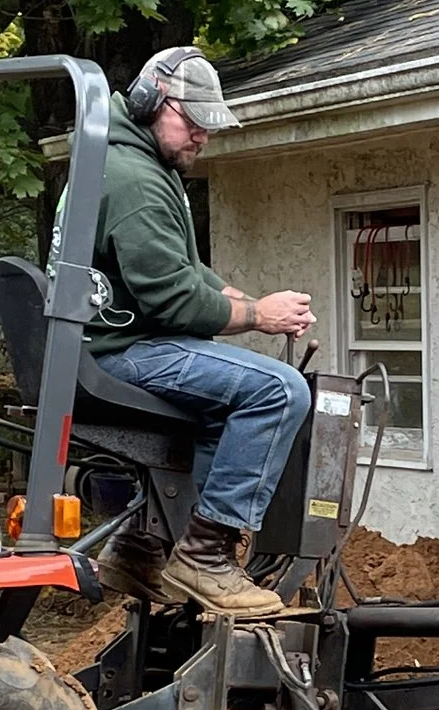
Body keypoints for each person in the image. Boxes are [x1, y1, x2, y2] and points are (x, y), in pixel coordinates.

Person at [84, 46, 318, 619]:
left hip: (103, 347)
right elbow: (173, 299)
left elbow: (182, 272)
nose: (202, 138)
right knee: (279, 390)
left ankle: (141, 547)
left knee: (224, 405)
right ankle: (207, 557)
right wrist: (260, 316)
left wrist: (244, 298)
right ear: (149, 102)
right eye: (192, 123)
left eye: (208, 128)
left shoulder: (123, 162)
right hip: (122, 352)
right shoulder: (135, 179)